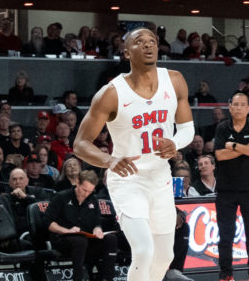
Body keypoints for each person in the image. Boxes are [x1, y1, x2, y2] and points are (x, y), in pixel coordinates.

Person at [73, 27, 194, 281]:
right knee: (144, 250)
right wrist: (109, 160)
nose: (149, 45)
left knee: (163, 256)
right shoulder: (112, 93)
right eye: (140, 42)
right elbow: (80, 144)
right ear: (126, 52)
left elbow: (186, 128)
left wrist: (175, 142)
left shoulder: (174, 80)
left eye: (153, 41)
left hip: (160, 178)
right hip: (128, 180)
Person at [214, 92, 249, 281]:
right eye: (235, 104)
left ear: (248, 108)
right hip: (225, 190)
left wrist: (234, 146)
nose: (238, 108)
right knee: (225, 235)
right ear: (230, 107)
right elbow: (219, 155)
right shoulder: (222, 127)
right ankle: (226, 274)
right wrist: (246, 148)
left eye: (242, 105)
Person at [47, 170, 118, 281]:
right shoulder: (61, 197)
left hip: (85, 238)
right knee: (80, 241)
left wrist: (97, 229)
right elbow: (49, 223)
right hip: (63, 238)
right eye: (84, 190)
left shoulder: (93, 200)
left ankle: (107, 278)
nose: (86, 194)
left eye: (89, 191)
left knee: (111, 239)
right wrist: (67, 230)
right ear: (77, 183)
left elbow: (96, 222)